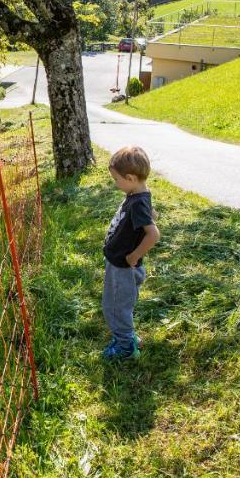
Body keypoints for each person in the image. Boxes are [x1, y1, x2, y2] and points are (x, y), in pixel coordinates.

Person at [101, 146, 160, 361]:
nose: (116, 184)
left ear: (130, 178)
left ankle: (126, 347)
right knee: (120, 303)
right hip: (119, 263)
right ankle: (127, 336)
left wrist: (134, 256)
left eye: (117, 180)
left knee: (115, 306)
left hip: (123, 267)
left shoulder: (137, 201)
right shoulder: (139, 193)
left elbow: (153, 235)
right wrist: (152, 214)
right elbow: (151, 213)